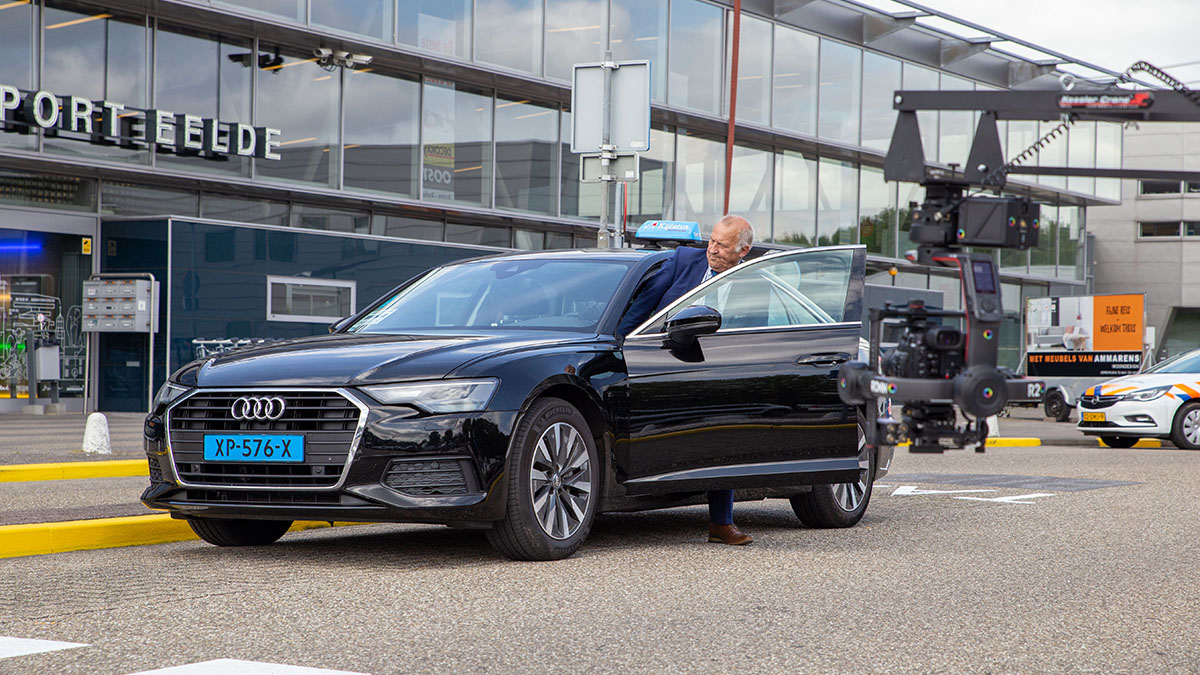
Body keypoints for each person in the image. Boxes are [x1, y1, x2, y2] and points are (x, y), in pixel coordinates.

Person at [617, 214, 756, 546]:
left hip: (723, 367)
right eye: (712, 241)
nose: (713, 249)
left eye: (722, 245)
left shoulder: (753, 279)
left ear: (743, 250)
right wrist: (621, 343)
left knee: (724, 436)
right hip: (669, 360)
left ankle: (721, 524)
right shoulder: (683, 261)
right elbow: (644, 307)